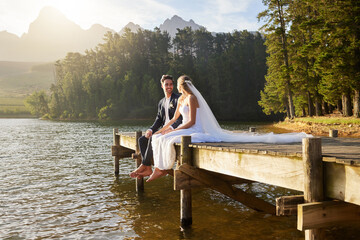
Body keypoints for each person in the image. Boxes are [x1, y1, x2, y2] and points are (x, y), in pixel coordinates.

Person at [146, 75, 312, 182]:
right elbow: (174, 119)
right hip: (183, 127)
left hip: (192, 128)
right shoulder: (181, 100)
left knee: (170, 138)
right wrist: (161, 130)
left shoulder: (192, 98)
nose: (176, 88)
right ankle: (159, 167)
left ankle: (162, 168)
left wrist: (173, 131)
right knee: (159, 137)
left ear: (182, 86)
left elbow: (191, 122)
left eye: (177, 85)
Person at [129, 75, 182, 178]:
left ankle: (144, 164)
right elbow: (158, 120)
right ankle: (148, 167)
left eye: (171, 84)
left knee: (154, 138)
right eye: (166, 84)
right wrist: (150, 130)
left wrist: (170, 129)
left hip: (173, 129)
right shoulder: (161, 102)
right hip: (163, 129)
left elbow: (180, 119)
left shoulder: (177, 99)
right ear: (162, 86)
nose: (169, 87)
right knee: (142, 140)